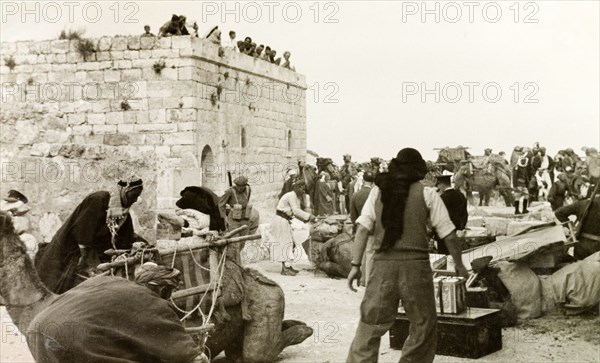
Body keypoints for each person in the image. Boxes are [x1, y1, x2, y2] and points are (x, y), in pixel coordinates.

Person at [346, 148, 468, 363]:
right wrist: (459, 264)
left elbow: (363, 228)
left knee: (370, 323)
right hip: (416, 267)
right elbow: (448, 232)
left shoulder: (377, 192)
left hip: (383, 265)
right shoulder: (428, 193)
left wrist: (356, 265)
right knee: (423, 323)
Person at [35, 176, 145, 294]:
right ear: (126, 191)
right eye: (134, 195)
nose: (135, 200)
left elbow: (126, 237)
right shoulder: (99, 200)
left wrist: (140, 245)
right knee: (65, 286)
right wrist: (87, 261)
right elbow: (83, 230)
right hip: (76, 251)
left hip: (95, 254)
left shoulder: (124, 215)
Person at [268, 181, 316, 275]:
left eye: (303, 188)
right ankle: (285, 269)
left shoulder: (296, 197)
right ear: (296, 188)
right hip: (280, 221)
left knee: (290, 243)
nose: (303, 190)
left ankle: (288, 266)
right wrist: (309, 216)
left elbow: (295, 213)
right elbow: (296, 210)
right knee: (284, 243)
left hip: (285, 221)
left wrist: (306, 220)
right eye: (301, 188)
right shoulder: (291, 195)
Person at [218, 176, 260, 260]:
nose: (240, 188)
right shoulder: (230, 191)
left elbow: (246, 200)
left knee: (242, 242)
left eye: (242, 186)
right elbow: (221, 204)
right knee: (235, 242)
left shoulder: (248, 189)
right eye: (238, 186)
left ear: (245, 185)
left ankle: (237, 259)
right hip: (234, 220)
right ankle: (236, 261)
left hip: (245, 219)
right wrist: (224, 217)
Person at [555, 193, 600, 260]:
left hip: (581, 246)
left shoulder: (582, 204)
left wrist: (570, 226)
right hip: (597, 248)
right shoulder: (585, 204)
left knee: (579, 269)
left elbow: (559, 212)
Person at [434, 174, 468, 255]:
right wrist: (461, 228)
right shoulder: (461, 195)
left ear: (442, 185)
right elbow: (464, 214)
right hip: (458, 234)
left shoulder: (442, 198)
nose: (439, 189)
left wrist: (434, 235)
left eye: (439, 186)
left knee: (444, 258)